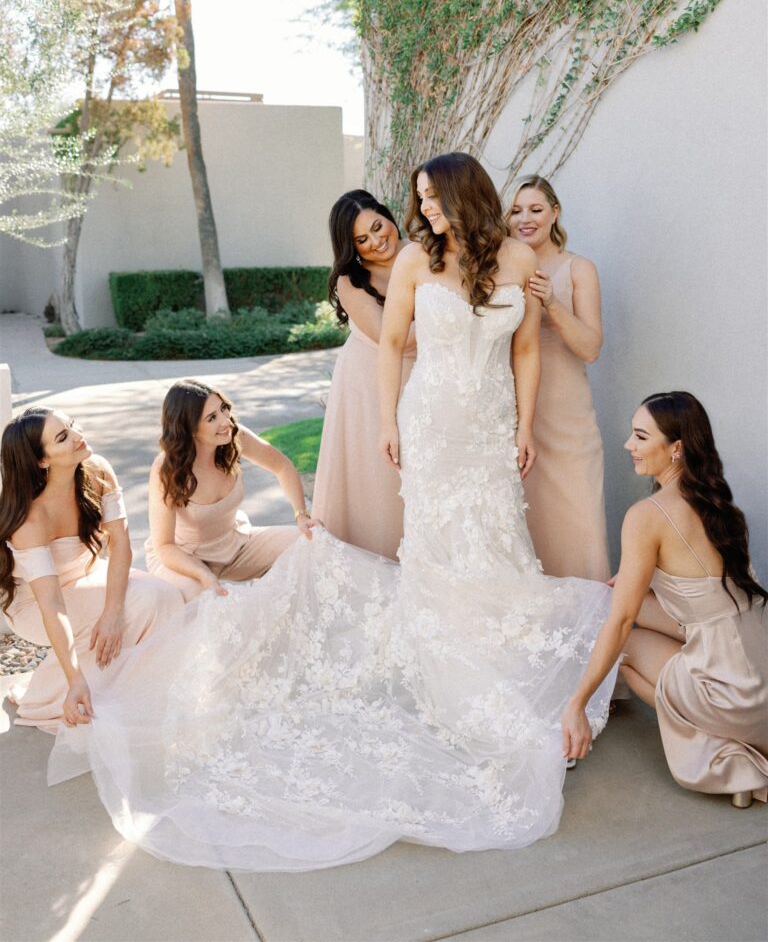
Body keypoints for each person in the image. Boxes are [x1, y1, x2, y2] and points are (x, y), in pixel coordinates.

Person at [47, 153, 618, 872]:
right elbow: (393, 350)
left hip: (491, 421)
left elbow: (528, 348)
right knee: (439, 550)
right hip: (433, 421)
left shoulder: (516, 255)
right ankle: (450, 676)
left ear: (464, 194)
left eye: (434, 199)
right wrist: (388, 421)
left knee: (500, 542)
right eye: (418, 201)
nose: (425, 211)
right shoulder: (415, 260)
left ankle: (498, 662)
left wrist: (525, 426)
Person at [561, 392, 768, 807]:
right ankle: (732, 739)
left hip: (733, 695)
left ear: (676, 448)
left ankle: (727, 754)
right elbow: (706, 590)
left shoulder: (647, 515)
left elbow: (621, 623)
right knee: (620, 603)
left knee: (626, 645)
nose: (628, 446)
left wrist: (576, 704)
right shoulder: (722, 506)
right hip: (760, 667)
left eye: (640, 437)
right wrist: (641, 582)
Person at [0, 408, 183, 731]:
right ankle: (50, 696)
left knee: (164, 596)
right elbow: (51, 605)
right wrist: (75, 680)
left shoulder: (97, 470)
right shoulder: (31, 519)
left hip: (87, 574)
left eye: (71, 425)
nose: (77, 435)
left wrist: (112, 613)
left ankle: (132, 689)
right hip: (35, 604)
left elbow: (121, 545)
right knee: (141, 603)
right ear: (42, 461)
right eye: (62, 437)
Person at [507, 176, 610, 580]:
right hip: (514, 413)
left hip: (567, 418)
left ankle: (592, 631)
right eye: (515, 211)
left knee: (578, 523)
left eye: (535, 209)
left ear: (554, 212)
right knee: (525, 527)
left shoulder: (578, 268)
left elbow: (591, 347)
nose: (525, 219)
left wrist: (552, 302)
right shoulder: (502, 267)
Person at [313, 190, 416, 559]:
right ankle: (378, 560)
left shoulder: (425, 253)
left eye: (378, 227)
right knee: (378, 475)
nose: (376, 242)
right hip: (367, 383)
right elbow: (396, 338)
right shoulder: (350, 281)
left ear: (388, 216)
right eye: (362, 240)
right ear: (351, 246)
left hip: (424, 378)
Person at [145, 379, 316, 601]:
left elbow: (282, 466)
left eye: (223, 409)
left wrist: (301, 515)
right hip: (183, 558)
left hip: (236, 545)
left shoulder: (234, 436)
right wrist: (203, 574)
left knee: (311, 543)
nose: (226, 421)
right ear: (189, 427)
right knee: (204, 600)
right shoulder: (166, 468)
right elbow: (164, 546)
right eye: (212, 418)